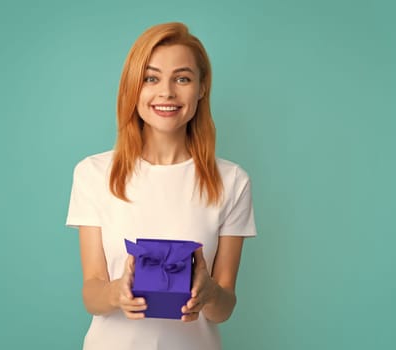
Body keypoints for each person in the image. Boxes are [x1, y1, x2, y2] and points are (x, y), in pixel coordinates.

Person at [66, 22, 257, 350]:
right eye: (151, 78)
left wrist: (208, 292)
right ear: (133, 88)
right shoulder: (94, 174)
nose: (166, 92)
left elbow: (223, 309)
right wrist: (117, 292)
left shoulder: (232, 181)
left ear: (201, 88)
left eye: (182, 78)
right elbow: (91, 292)